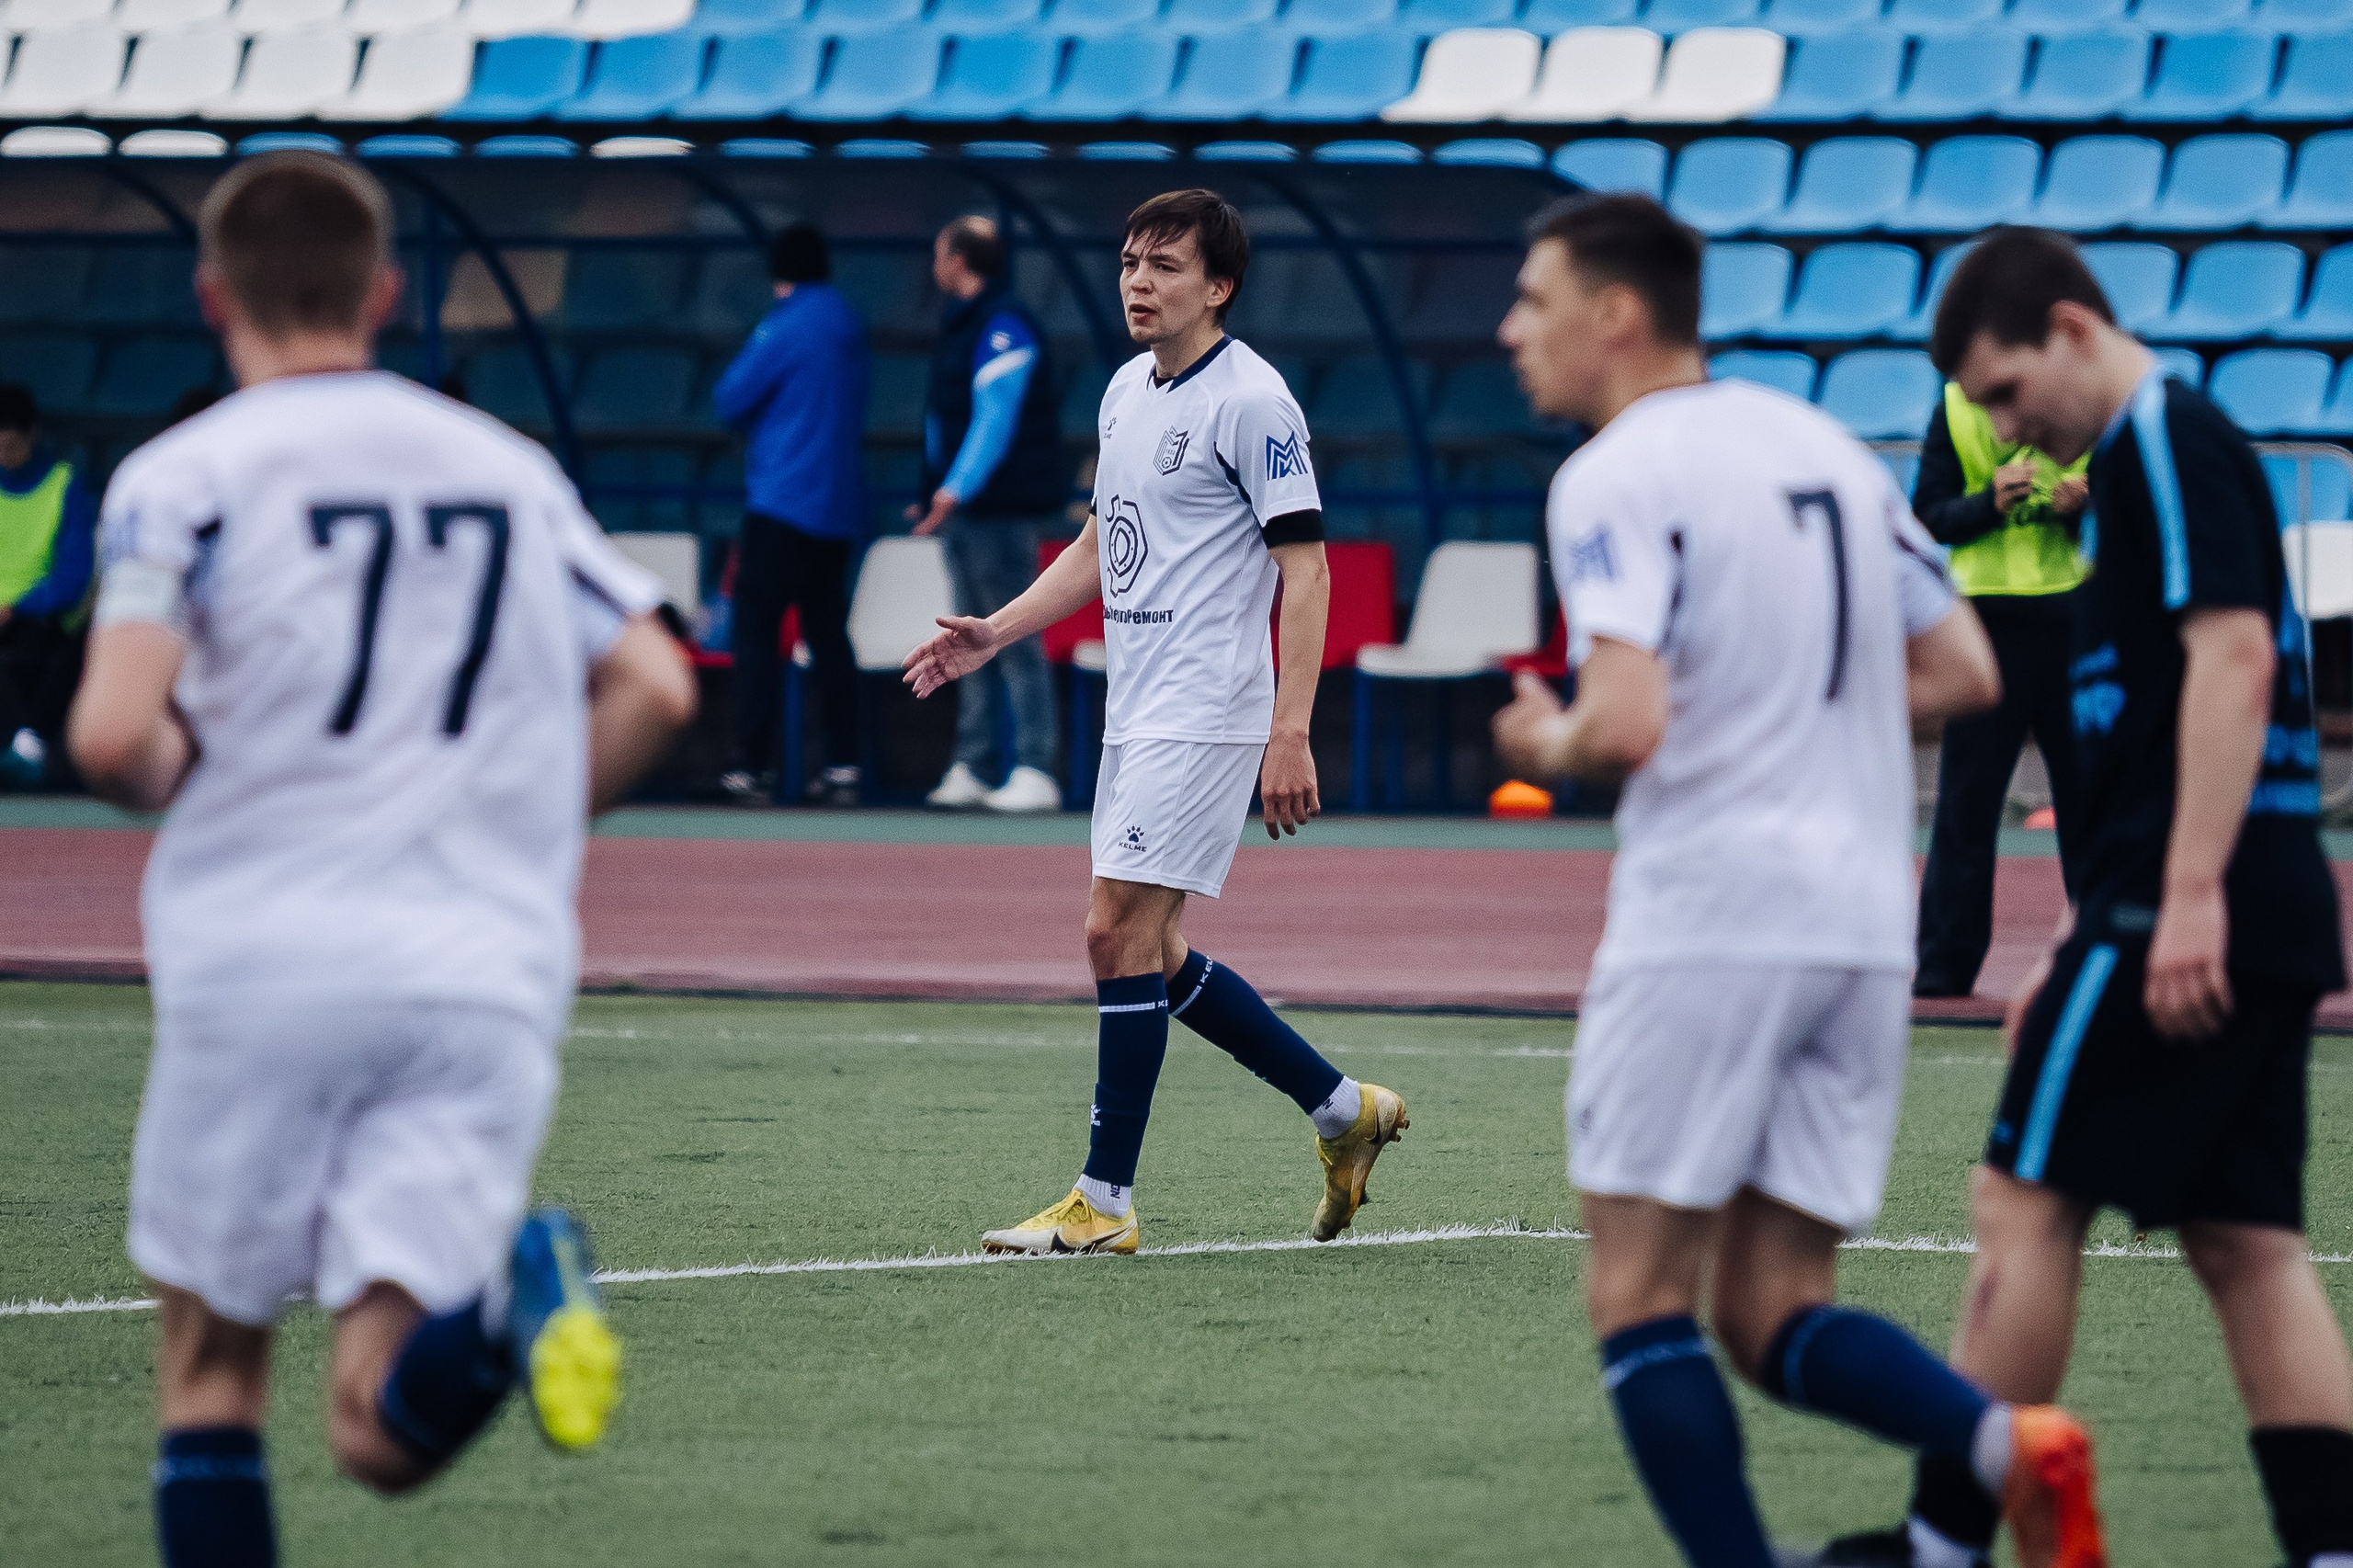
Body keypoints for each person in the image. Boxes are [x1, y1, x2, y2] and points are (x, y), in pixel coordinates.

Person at [66, 151, 697, 1566]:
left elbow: (114, 737)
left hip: (267, 954)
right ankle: (499, 1313)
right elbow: (656, 682)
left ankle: (494, 1314)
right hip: (481, 971)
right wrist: (513, 831)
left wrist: (191, 768)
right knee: (374, 1426)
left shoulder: (184, 476)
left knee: (214, 1379)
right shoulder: (507, 471)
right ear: (388, 292)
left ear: (211, 293)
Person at [1486, 194, 2105, 1568]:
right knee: (1770, 1308)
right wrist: (1793, 709)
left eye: (1532, 298)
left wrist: (1544, 737)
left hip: (1710, 915)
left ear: (1617, 312)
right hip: (1857, 928)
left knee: (1639, 1298)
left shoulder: (1613, 472)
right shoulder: (1822, 445)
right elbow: (1961, 672)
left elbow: (1628, 722)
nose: (1510, 329)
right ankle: (2008, 1446)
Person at [1807, 229, 2353, 1568]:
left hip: (2199, 898)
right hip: (2232, 899)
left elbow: (2233, 664)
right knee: (2248, 1244)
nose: (2003, 426)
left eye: (2002, 392)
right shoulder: (2136, 467)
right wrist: (2072, 933)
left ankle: (1942, 1539)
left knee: (2021, 1197)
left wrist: (2179, 900)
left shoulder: (2166, 438)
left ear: (2068, 327)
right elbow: (2150, 719)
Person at [902, 189, 1406, 1256]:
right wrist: (994, 630)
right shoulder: (1127, 389)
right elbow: (1098, 545)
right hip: (1137, 710)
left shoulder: (1255, 401)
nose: (1138, 280)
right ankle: (1340, 1109)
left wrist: (1290, 728)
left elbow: (1304, 571)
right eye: (1130, 260)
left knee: (1110, 932)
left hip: (1209, 709)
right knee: (1157, 950)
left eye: (1165, 265)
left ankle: (1105, 1200)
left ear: (1217, 286)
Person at [1913, 381, 2088, 998]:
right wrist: (1988, 502)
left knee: (2092, 806)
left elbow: (2139, 516)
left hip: (2075, 625)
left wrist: (2085, 509)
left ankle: (2100, 957)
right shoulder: (1956, 407)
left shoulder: (2088, 402)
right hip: (1986, 630)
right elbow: (1929, 513)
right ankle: (1943, 967)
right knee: (1967, 805)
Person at [912, 216, 1069, 814]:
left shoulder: (1005, 325)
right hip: (964, 511)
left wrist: (953, 489)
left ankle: (1034, 764)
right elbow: (942, 417)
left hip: (1000, 511)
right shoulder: (958, 325)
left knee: (1014, 635)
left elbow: (993, 420)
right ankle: (974, 764)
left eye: (939, 253)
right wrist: (933, 488)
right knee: (964, 638)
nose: (934, 265)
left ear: (961, 260)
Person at [712, 221, 867, 808]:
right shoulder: (847, 321)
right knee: (828, 634)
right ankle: (843, 767)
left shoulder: (787, 322)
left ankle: (751, 767)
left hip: (781, 501)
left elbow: (731, 396)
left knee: (756, 633)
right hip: (837, 507)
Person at [0, 382, 97, 789]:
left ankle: (24, 746)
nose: (4, 457)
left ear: (31, 435)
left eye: (10, 446)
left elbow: (72, 577)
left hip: (37, 621)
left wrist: (16, 607)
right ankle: (26, 746)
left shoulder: (64, 486)